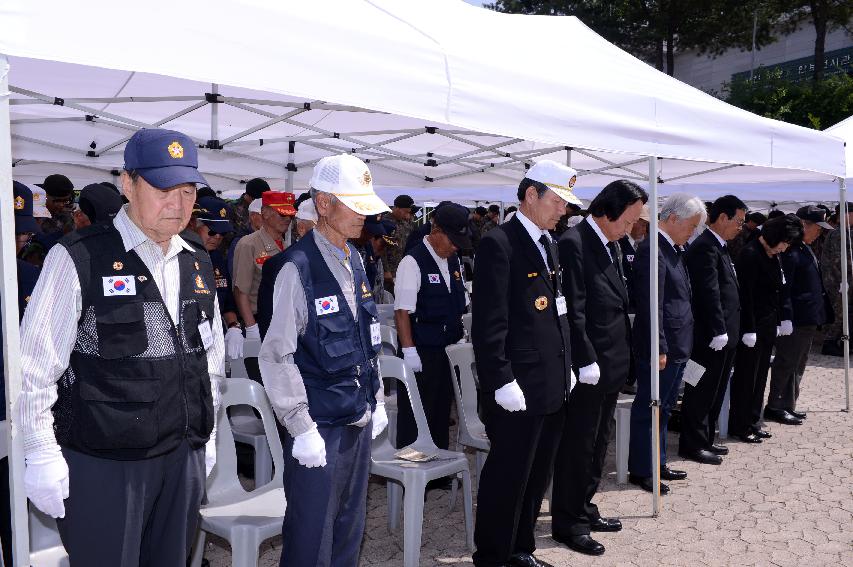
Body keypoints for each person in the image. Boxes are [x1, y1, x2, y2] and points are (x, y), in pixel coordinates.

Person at [17, 128, 224, 565]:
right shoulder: (79, 257)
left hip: (180, 456)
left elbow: (212, 361)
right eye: (164, 188)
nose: (178, 203)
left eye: (187, 191)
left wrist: (209, 439)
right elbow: (35, 366)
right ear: (128, 184)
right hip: (104, 464)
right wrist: (40, 451)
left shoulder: (197, 260)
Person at [258, 154, 389, 567]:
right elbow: (278, 354)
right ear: (325, 203)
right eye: (356, 204)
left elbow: (368, 337)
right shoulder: (296, 268)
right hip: (318, 424)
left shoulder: (355, 260)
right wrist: (300, 426)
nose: (364, 216)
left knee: (350, 524)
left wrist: (378, 398)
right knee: (311, 533)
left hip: (356, 413)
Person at [472, 160, 578, 567]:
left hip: (551, 379)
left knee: (536, 476)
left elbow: (557, 311)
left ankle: (521, 549)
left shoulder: (549, 242)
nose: (562, 210)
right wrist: (500, 378)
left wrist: (567, 362)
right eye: (557, 201)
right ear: (530, 195)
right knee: (507, 476)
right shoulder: (500, 243)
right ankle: (494, 556)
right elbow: (489, 320)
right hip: (517, 384)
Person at [553, 179, 647, 557]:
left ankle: (584, 504)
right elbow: (573, 312)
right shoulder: (575, 245)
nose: (630, 229)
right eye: (627, 221)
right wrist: (586, 359)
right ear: (606, 212)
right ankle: (568, 521)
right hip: (588, 365)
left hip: (611, 362)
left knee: (598, 443)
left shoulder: (612, 244)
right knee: (579, 445)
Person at [628, 194, 705, 494]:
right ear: (673, 219)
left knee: (666, 405)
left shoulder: (671, 248)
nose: (693, 233)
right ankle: (643, 468)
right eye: (691, 226)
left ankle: (657, 461)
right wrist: (659, 345)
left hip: (677, 342)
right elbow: (652, 305)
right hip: (663, 345)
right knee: (650, 406)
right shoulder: (653, 250)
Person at [394, 204, 470, 451]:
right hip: (422, 350)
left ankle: (438, 471)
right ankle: (413, 466)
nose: (456, 246)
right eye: (452, 240)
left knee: (440, 412)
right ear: (436, 230)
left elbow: (458, 302)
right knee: (418, 415)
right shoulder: (412, 261)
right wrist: (409, 351)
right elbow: (402, 311)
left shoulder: (453, 260)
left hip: (446, 350)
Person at [678, 195, 747, 465]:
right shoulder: (705, 247)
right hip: (707, 338)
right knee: (699, 391)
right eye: (738, 221)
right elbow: (709, 293)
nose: (740, 227)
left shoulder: (720, 247)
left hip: (722, 337)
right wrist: (718, 329)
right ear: (722, 218)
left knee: (715, 390)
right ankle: (692, 444)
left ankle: (705, 439)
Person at [728, 214, 804, 443]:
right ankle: (740, 424)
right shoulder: (751, 254)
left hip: (767, 326)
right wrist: (749, 328)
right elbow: (746, 296)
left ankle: (753, 420)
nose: (785, 247)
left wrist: (781, 320)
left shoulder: (771, 255)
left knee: (760, 377)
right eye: (785, 242)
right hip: (752, 328)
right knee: (746, 379)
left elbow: (777, 290)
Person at [0, 181, 44, 567]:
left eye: (23, 232)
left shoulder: (31, 277)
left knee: (15, 519)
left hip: (19, 414)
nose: (17, 240)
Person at [767, 206, 833, 422]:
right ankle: (776, 405)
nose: (819, 233)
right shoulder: (791, 251)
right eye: (817, 228)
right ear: (804, 225)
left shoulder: (804, 248)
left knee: (798, 363)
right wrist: (786, 317)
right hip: (795, 319)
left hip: (807, 318)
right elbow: (785, 288)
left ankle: (788, 403)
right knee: (786, 362)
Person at [231, 190, 296, 339]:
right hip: (259, 320)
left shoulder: (287, 246)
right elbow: (241, 290)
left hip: (282, 321)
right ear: (265, 213)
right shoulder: (249, 244)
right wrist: (251, 327)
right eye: (282, 214)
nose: (287, 219)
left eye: (290, 215)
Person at [190, 196, 243, 360]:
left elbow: (226, 300)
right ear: (193, 225)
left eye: (223, 233)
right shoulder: (181, 257)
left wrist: (234, 326)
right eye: (212, 231)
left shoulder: (217, 257)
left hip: (217, 336)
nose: (217, 237)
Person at [819, 202, 853, 356]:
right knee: (838, 311)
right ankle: (829, 343)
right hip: (837, 280)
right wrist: (843, 280)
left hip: (842, 279)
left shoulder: (846, 231)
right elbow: (839, 260)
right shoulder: (839, 233)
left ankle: (838, 340)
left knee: (844, 311)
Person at [384, 194, 416, 281]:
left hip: (402, 268)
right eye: (405, 212)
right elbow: (381, 249)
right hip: (389, 271)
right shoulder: (385, 223)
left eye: (408, 212)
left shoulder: (406, 225)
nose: (407, 215)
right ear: (396, 208)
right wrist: (386, 270)